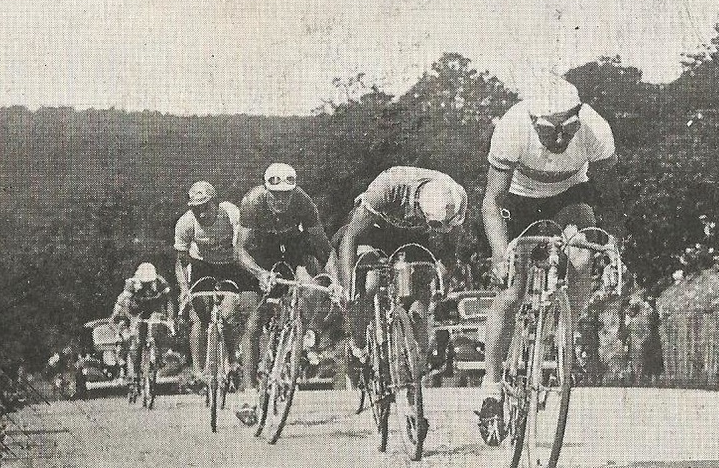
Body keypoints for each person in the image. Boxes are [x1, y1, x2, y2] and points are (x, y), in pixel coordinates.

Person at [476, 74, 620, 444]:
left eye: (568, 127)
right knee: (511, 291)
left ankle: (562, 331)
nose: (559, 138)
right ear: (531, 119)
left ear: (579, 115)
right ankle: (491, 387)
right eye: (548, 129)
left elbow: (611, 194)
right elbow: (492, 200)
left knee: (584, 257)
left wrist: (611, 241)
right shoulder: (511, 129)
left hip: (569, 196)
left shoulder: (596, 129)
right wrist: (499, 254)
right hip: (520, 202)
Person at [334, 167, 468, 399]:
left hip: (414, 238)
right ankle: (358, 347)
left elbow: (449, 252)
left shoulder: (454, 197)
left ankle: (412, 374)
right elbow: (351, 237)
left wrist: (439, 283)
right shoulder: (388, 187)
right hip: (373, 229)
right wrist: (349, 286)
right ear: (419, 205)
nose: (442, 230)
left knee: (420, 301)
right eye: (437, 226)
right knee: (369, 284)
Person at [232, 162, 333, 420]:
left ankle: (296, 337)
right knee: (254, 322)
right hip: (257, 256)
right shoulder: (252, 203)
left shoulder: (304, 203)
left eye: (286, 194)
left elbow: (323, 245)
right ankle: (248, 391)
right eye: (276, 195)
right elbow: (240, 250)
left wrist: (335, 279)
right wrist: (259, 273)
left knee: (308, 284)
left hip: (289, 250)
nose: (281, 200)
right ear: (266, 190)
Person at [173, 180, 252, 388]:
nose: (201, 214)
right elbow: (181, 263)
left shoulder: (230, 214)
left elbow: (242, 244)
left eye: (205, 207)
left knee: (229, 312)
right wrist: (184, 290)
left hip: (230, 264)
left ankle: (232, 359)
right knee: (198, 315)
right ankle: (199, 372)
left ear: (215, 203)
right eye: (196, 209)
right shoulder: (186, 223)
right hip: (202, 265)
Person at [111, 261, 176, 387]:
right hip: (136, 310)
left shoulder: (161, 283)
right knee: (137, 339)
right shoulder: (131, 284)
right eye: (144, 283)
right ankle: (135, 371)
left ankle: (158, 355)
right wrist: (132, 319)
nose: (147, 285)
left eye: (149, 282)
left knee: (158, 328)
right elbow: (126, 305)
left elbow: (169, 301)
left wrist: (170, 318)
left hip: (154, 309)